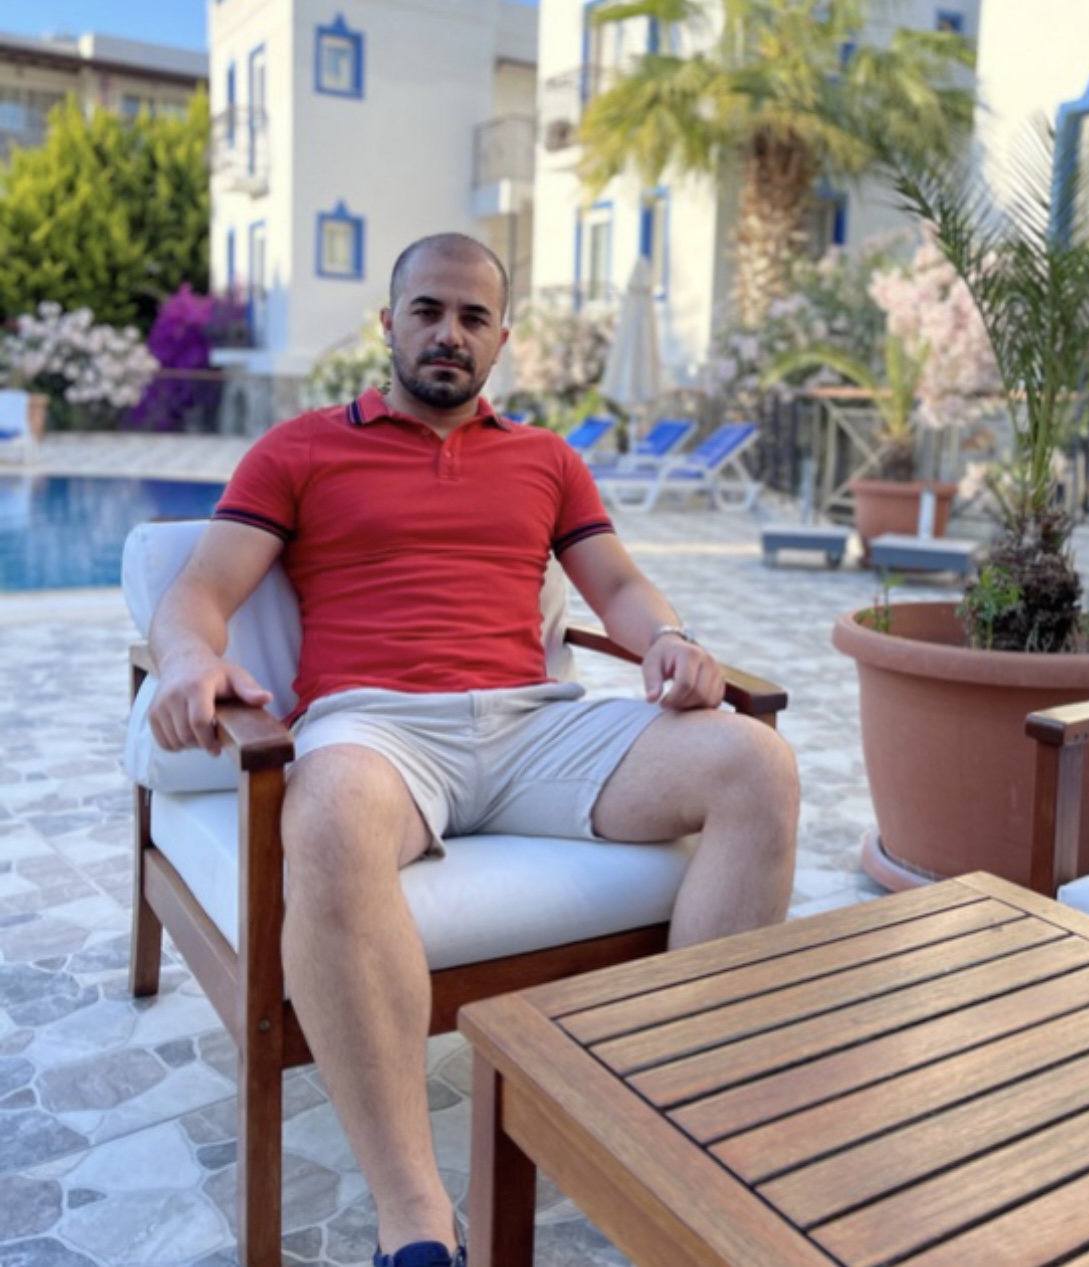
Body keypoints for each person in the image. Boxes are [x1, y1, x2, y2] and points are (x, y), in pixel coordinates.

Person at [147, 232, 799, 1267]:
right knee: (326, 814)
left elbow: (618, 585)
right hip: (380, 727)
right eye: (428, 310)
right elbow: (201, 590)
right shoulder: (300, 449)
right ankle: (415, 1220)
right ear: (389, 322)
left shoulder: (547, 458)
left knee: (756, 765)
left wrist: (669, 639)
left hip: (536, 724)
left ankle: (672, 1128)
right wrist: (189, 658)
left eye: (473, 317)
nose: (449, 333)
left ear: (501, 338)